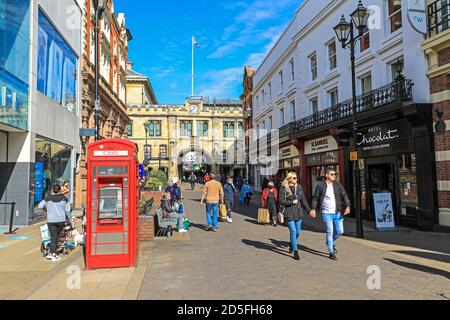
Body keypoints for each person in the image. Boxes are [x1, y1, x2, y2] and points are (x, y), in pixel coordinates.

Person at [310, 167, 351, 261]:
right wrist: (313, 209)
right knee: (330, 232)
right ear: (327, 175)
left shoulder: (337, 185)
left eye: (335, 174)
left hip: (337, 213)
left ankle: (330, 242)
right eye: (332, 174)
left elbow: (344, 195)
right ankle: (331, 252)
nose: (334, 176)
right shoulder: (321, 186)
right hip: (326, 213)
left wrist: (348, 206)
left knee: (340, 231)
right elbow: (315, 198)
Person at [279, 172, 313, 261]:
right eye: (294, 178)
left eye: (296, 178)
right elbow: (281, 201)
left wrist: (309, 210)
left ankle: (291, 244)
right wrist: (291, 202)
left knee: (298, 233)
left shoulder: (299, 187)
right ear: (289, 178)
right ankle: (296, 252)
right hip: (289, 213)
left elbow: (304, 200)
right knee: (293, 232)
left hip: (298, 213)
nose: (296, 179)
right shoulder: (283, 188)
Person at [38, 184, 72, 262]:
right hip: (60, 221)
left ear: (52, 190)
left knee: (54, 236)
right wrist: (70, 217)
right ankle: (53, 253)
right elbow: (68, 209)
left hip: (51, 220)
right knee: (56, 236)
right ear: (60, 190)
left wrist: (46, 208)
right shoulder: (64, 199)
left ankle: (52, 253)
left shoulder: (48, 198)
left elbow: (39, 206)